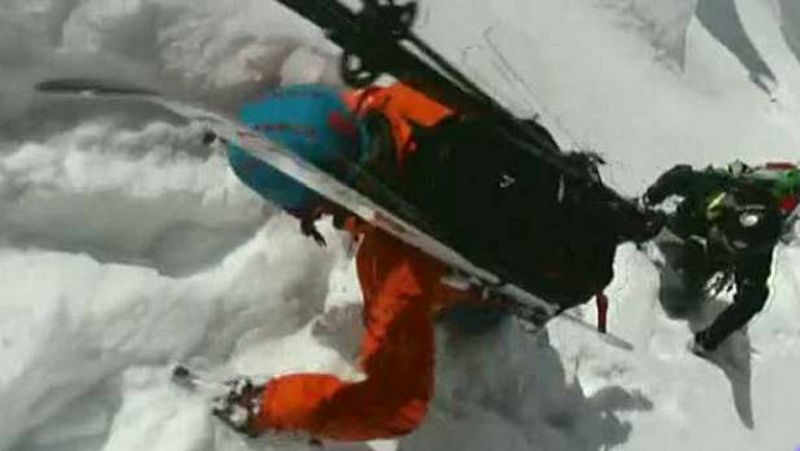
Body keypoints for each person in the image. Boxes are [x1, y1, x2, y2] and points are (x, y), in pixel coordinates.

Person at [642, 161, 799, 354]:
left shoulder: (758, 249)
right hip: (679, 227)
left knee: (683, 289)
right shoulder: (717, 188)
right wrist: (650, 197)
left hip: (701, 254)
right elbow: (680, 176)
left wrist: (709, 339)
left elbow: (753, 299)